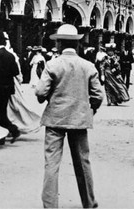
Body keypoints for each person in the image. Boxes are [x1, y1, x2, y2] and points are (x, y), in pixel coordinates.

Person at [35, 24, 103, 208]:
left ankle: (50, 205)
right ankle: (89, 202)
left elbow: (41, 91)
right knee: (83, 162)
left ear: (59, 43)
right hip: (79, 119)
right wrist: (90, 110)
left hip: (55, 118)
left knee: (51, 163)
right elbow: (98, 95)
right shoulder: (88, 66)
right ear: (77, 44)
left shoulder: (52, 64)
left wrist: (46, 99)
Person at [0, 30, 21, 143]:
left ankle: (12, 130)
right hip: (7, 89)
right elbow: (16, 72)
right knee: (1, 113)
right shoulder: (10, 55)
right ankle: (3, 134)